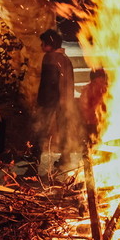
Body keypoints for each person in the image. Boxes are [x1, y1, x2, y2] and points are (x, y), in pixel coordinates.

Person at [36, 28, 80, 168]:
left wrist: (44, 101)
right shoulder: (64, 58)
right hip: (63, 101)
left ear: (50, 44)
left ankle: (34, 160)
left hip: (52, 101)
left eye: (43, 43)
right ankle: (65, 157)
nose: (41, 46)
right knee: (63, 129)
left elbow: (50, 83)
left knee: (41, 130)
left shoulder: (50, 58)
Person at [78, 68, 108, 142]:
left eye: (103, 78)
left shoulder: (106, 90)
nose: (103, 81)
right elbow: (84, 109)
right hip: (91, 125)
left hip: (103, 123)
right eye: (101, 79)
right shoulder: (88, 90)